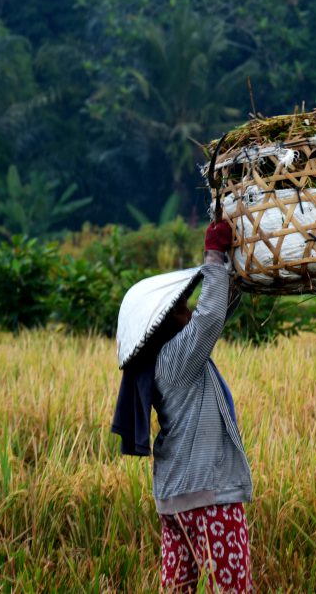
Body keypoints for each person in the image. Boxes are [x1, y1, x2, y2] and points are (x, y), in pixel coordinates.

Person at [112, 220, 253, 593]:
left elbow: (216, 310)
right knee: (231, 589)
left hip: (175, 499)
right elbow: (209, 317)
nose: (189, 314)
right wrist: (212, 253)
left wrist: (229, 267)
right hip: (207, 497)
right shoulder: (176, 357)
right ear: (164, 325)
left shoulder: (163, 360)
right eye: (181, 311)